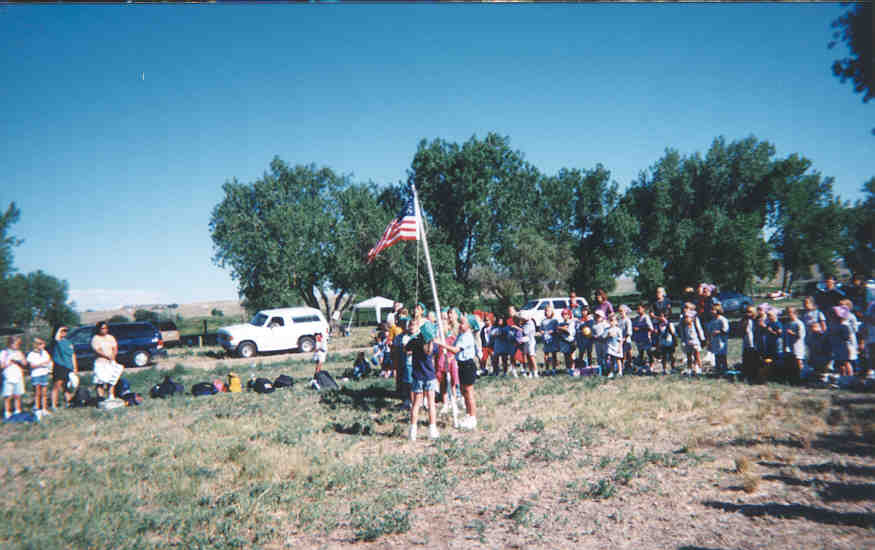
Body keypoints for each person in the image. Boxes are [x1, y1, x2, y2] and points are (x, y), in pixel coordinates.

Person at [434, 314, 479, 430]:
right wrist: (451, 358)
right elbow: (454, 349)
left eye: (462, 323)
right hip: (461, 365)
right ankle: (468, 414)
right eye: (460, 322)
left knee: (469, 392)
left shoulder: (467, 336)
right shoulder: (460, 335)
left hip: (468, 365)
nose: (459, 325)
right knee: (464, 392)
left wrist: (441, 343)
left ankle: (473, 417)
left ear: (469, 326)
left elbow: (455, 349)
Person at [406, 320, 439, 441]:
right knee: (431, 404)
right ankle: (432, 430)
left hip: (417, 376)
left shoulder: (415, 342)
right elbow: (436, 353)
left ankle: (412, 431)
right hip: (430, 377)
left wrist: (415, 337)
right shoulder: (433, 345)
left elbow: (406, 348)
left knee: (416, 404)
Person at [91, 321, 123, 400]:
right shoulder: (95, 338)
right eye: (102, 328)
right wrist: (107, 356)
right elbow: (97, 350)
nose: (104, 330)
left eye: (105, 328)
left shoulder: (110, 337)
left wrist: (113, 356)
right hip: (100, 362)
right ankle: (100, 398)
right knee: (100, 382)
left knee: (111, 380)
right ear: (98, 329)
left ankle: (111, 396)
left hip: (110, 362)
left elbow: (115, 348)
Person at [50, 326, 77, 409]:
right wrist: (59, 329)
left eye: (66, 331)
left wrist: (75, 367)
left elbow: (72, 354)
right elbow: (56, 337)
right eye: (62, 331)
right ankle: (54, 405)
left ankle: (69, 402)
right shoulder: (56, 341)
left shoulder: (68, 342)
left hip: (68, 366)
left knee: (67, 386)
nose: (64, 332)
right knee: (57, 386)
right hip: (59, 366)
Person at [27, 338, 53, 418]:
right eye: (41, 344)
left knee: (44, 393)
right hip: (36, 375)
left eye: (43, 344)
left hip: (44, 374)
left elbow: (49, 361)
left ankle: (44, 409)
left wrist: (48, 366)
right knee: (37, 393)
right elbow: (32, 365)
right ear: (36, 345)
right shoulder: (31, 354)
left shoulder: (45, 353)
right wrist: (42, 364)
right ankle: (37, 409)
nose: (43, 346)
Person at [1, 336, 27, 419]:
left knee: (17, 395)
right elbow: (2, 366)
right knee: (8, 396)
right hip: (8, 376)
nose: (17, 346)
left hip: (18, 376)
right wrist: (10, 361)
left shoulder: (19, 353)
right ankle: (7, 412)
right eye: (16, 344)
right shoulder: (3, 353)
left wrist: (20, 359)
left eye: (18, 344)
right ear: (10, 344)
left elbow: (25, 364)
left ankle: (17, 411)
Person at [833, 306, 858, 377]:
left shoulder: (844, 326)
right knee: (841, 364)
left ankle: (850, 376)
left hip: (845, 347)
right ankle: (843, 377)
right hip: (839, 347)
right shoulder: (838, 325)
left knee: (846, 363)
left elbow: (847, 337)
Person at [783, 306, 806, 382]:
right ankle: (793, 377)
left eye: (790, 312)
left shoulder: (799, 323)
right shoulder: (788, 323)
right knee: (791, 361)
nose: (788, 314)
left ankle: (801, 377)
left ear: (795, 313)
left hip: (798, 346)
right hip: (789, 346)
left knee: (798, 361)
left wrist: (792, 333)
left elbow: (801, 336)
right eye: (787, 313)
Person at [679, 310, 704, 375]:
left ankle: (699, 367)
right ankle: (689, 368)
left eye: (687, 317)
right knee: (689, 356)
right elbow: (683, 334)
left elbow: (699, 331)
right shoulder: (684, 326)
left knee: (696, 355)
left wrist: (702, 339)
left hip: (695, 341)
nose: (686, 319)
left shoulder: (694, 325)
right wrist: (683, 341)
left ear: (692, 318)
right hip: (688, 342)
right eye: (685, 318)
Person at [632, 303, 655, 371]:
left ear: (643, 309)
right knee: (640, 353)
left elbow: (650, 328)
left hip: (646, 338)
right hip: (639, 338)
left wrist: (640, 328)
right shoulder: (636, 318)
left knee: (649, 352)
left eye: (639, 309)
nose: (638, 310)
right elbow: (633, 326)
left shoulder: (646, 317)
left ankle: (651, 366)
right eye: (637, 309)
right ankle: (642, 366)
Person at [707, 304, 730, 373]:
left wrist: (719, 332)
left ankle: (724, 368)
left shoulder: (722, 319)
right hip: (714, 340)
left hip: (721, 340)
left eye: (713, 310)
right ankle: (718, 369)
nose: (711, 311)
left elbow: (726, 329)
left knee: (722, 355)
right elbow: (709, 330)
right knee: (716, 355)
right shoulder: (712, 320)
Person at [540, 304, 559, 375]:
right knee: (546, 354)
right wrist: (542, 332)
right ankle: (547, 369)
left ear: (552, 312)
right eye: (546, 311)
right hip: (545, 340)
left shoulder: (554, 320)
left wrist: (552, 331)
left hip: (553, 339)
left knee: (554, 354)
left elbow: (557, 329)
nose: (547, 312)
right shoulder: (543, 321)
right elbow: (541, 329)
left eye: (549, 311)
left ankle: (554, 369)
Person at [557, 308, 577, 375]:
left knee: (571, 356)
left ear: (569, 315)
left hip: (571, 342)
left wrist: (560, 328)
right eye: (563, 314)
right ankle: (567, 368)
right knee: (566, 355)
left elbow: (568, 332)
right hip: (564, 341)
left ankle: (573, 368)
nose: (564, 316)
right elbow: (559, 332)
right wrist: (561, 329)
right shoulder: (561, 323)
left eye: (566, 314)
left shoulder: (571, 322)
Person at [604, 313, 624, 377]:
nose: (612, 322)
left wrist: (619, 348)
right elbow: (604, 337)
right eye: (610, 320)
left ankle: (620, 371)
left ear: (616, 322)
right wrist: (608, 335)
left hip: (617, 346)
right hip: (610, 346)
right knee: (612, 359)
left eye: (613, 320)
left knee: (618, 359)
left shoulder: (618, 330)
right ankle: (611, 371)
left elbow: (621, 340)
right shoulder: (607, 329)